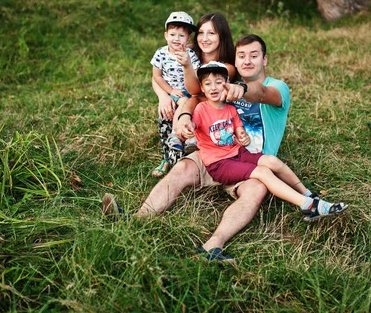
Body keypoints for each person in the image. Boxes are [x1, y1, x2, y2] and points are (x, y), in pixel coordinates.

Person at [103, 34, 348, 262]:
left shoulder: (276, 87)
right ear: (235, 60)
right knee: (182, 168)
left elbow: (260, 93)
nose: (247, 60)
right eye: (241, 56)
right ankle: (134, 219)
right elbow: (195, 99)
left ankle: (213, 245)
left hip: (249, 159)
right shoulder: (223, 84)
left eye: (254, 55)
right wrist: (185, 117)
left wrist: (241, 89)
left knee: (256, 189)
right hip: (214, 155)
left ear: (265, 59)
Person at [189, 61, 347, 220]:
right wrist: (186, 127)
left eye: (218, 82)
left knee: (271, 161)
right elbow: (193, 124)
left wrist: (244, 137)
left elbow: (240, 132)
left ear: (227, 84)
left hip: (238, 152)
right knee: (263, 171)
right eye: (208, 84)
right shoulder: (201, 109)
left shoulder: (230, 109)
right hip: (219, 163)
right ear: (202, 88)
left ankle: (309, 195)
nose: (213, 87)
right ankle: (308, 206)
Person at [151, 13, 238, 173]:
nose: (205, 38)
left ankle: (186, 152)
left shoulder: (226, 67)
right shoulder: (186, 50)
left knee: (190, 99)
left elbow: (195, 91)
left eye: (211, 33)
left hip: (207, 117)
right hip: (180, 103)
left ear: (222, 36)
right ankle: (169, 156)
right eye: (201, 33)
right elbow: (157, 74)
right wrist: (163, 96)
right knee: (169, 108)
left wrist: (187, 66)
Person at [150, 11, 200, 178]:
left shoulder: (191, 55)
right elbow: (156, 76)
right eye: (172, 34)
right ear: (165, 35)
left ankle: (180, 147)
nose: (176, 39)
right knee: (165, 117)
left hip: (188, 93)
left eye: (181, 35)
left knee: (186, 102)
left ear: (188, 38)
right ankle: (165, 159)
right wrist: (169, 92)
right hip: (171, 93)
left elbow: (197, 75)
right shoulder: (161, 53)